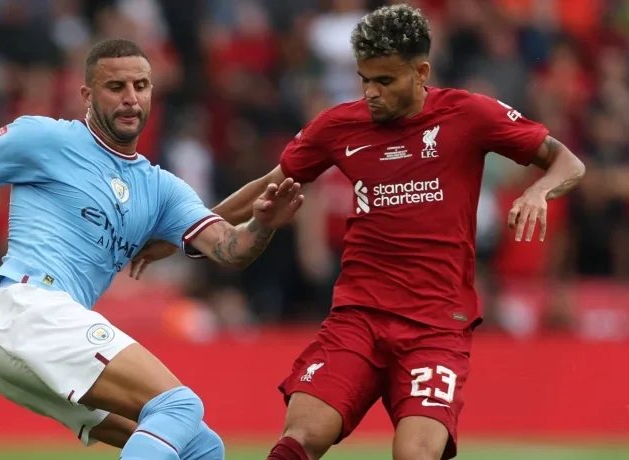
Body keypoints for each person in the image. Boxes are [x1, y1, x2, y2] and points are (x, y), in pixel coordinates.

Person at [129, 5, 586, 460]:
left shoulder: (469, 115)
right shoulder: (339, 125)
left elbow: (567, 161)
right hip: (358, 318)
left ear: (421, 71)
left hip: (436, 327)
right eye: (364, 79)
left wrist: (539, 192)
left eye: (385, 81)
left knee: (416, 453)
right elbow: (268, 185)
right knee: (300, 438)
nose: (371, 92)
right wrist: (186, 231)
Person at [0, 38, 304, 460]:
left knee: (201, 444)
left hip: (34, 337)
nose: (130, 98)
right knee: (179, 404)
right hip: (27, 306)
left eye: (141, 85)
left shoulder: (163, 189)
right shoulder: (45, 138)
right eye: (115, 86)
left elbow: (231, 249)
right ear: (86, 95)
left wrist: (262, 224)